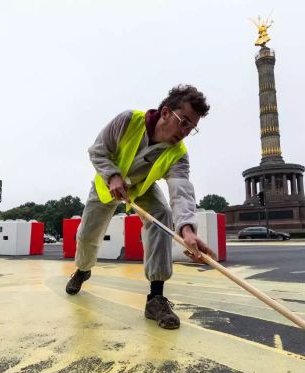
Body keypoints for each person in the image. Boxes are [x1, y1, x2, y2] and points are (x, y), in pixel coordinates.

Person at [66, 84, 215, 330]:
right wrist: (112, 176)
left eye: (192, 127)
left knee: (162, 214)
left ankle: (155, 297)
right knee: (87, 235)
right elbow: (98, 151)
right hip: (106, 186)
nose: (186, 131)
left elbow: (181, 191)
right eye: (184, 121)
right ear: (166, 112)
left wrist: (187, 230)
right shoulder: (128, 121)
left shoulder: (178, 153)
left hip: (140, 189)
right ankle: (82, 270)